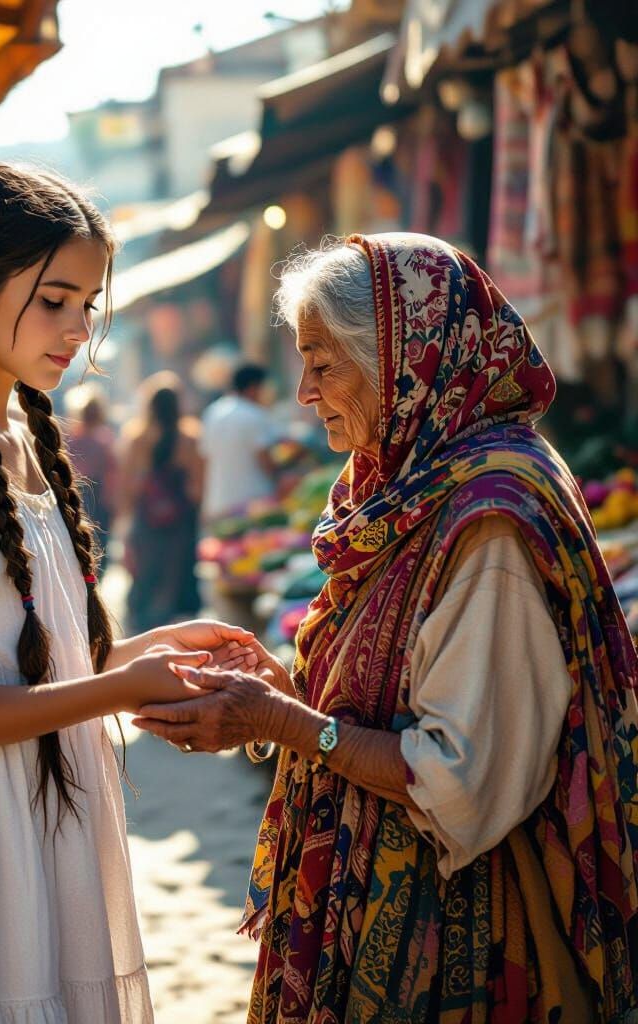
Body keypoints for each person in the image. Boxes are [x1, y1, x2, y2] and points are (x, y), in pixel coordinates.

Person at [134, 234, 638, 1022]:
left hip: (463, 941)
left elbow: (461, 783)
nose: (303, 391)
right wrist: (289, 690)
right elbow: (405, 692)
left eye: (324, 363)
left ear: (407, 363)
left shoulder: (489, 523)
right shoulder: (411, 486)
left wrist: (285, 722)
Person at [0, 165, 257, 1024]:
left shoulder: (18, 432)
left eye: (88, 305)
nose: (77, 329)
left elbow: (34, 659)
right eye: (54, 299)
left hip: (45, 819)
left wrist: (153, 649)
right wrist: (119, 689)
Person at [120, 372, 203, 634]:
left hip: (147, 521)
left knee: (147, 574)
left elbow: (129, 486)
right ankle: (182, 632)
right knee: (178, 575)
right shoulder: (190, 437)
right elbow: (196, 489)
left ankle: (144, 633)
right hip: (181, 522)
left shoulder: (136, 437)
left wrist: (126, 521)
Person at [200, 363, 280, 522]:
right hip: (253, 504)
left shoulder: (213, 412)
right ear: (253, 388)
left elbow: (204, 460)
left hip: (219, 504)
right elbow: (265, 461)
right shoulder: (254, 414)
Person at [64, 382, 118, 569]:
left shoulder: (70, 438)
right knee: (98, 548)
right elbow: (112, 475)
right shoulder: (104, 439)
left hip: (78, 495)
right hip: (96, 497)